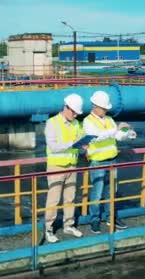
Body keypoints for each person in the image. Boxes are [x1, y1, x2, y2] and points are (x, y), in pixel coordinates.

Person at [83, 90, 137, 234]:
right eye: (104, 107)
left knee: (111, 192)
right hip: (98, 163)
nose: (106, 110)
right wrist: (116, 129)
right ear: (95, 106)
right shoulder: (88, 121)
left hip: (112, 161)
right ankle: (94, 220)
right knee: (97, 194)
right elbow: (96, 137)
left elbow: (117, 136)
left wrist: (127, 133)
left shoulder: (109, 120)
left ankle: (110, 217)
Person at [43, 93, 87, 243]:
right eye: (73, 112)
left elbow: (81, 140)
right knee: (53, 200)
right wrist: (72, 143)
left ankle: (69, 225)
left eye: (77, 113)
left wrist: (84, 145)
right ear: (66, 107)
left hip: (72, 166)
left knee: (70, 198)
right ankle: (48, 229)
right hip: (56, 167)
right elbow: (53, 147)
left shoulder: (76, 124)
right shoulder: (52, 123)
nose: (75, 115)